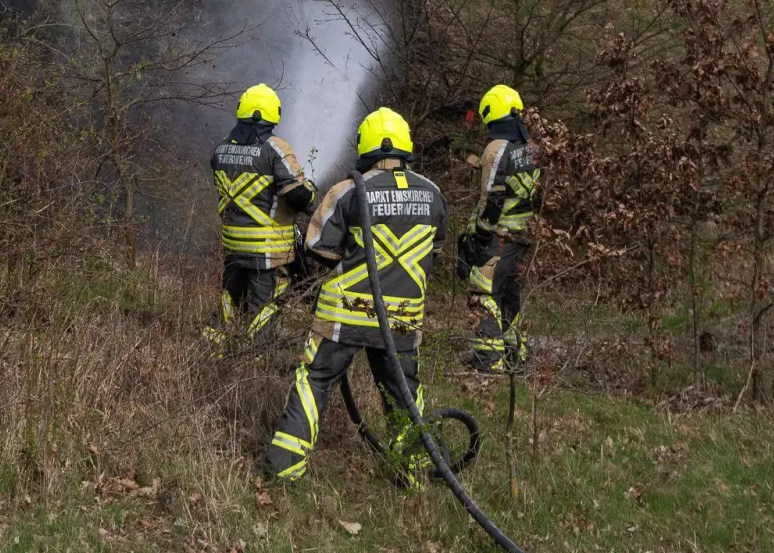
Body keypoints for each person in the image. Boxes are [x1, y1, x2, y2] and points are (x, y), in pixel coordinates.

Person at [265, 108, 448, 487]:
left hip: (344, 314)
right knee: (403, 394)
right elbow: (437, 250)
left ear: (364, 147)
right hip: (400, 320)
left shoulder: (348, 191)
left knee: (314, 380)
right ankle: (414, 476)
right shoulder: (432, 193)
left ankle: (283, 470)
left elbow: (318, 249)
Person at [205, 84, 317, 351]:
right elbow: (298, 196)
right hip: (268, 251)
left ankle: (211, 354)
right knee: (265, 307)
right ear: (274, 114)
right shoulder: (274, 148)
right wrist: (311, 193)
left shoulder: (221, 149)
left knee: (230, 302)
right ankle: (254, 360)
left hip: (233, 246)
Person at [457, 84, 541, 373]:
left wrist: (479, 235)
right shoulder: (531, 147)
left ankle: (487, 361)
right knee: (509, 294)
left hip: (499, 235)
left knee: (484, 293)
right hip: (524, 234)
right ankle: (516, 356)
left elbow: (492, 197)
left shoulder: (497, 148)